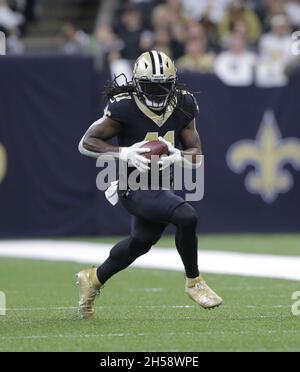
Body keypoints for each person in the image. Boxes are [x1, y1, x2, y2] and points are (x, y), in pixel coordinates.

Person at [77, 50, 223, 320]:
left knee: (141, 243)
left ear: (174, 83)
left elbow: (196, 156)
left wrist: (178, 154)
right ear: (137, 84)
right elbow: (86, 143)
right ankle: (194, 282)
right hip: (133, 185)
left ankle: (93, 279)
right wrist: (124, 152)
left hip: (161, 186)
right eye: (151, 86)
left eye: (163, 86)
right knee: (186, 216)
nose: (157, 92)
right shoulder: (123, 106)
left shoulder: (184, 104)